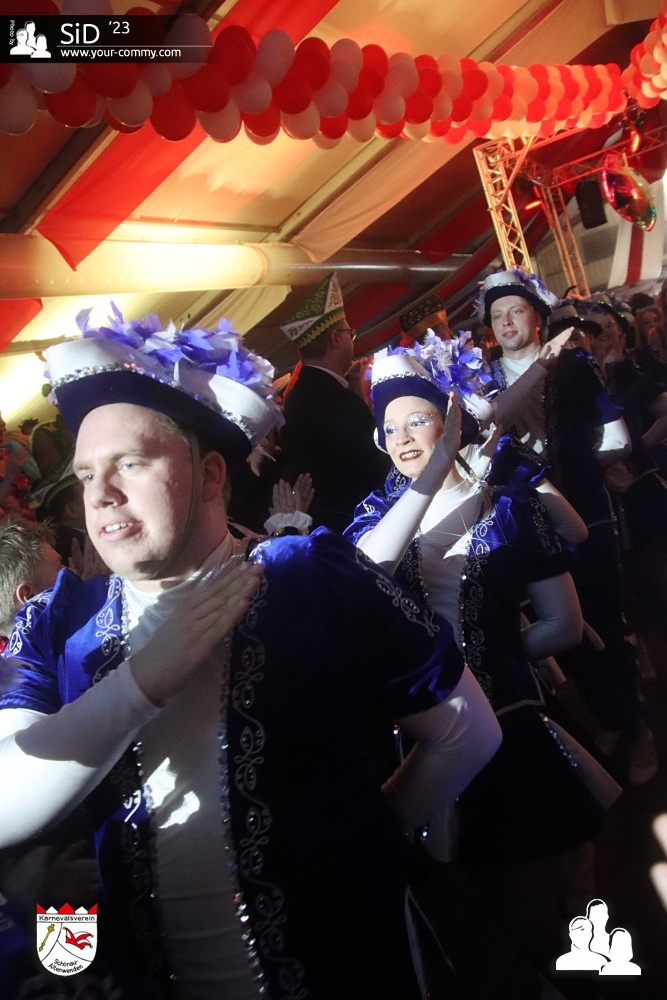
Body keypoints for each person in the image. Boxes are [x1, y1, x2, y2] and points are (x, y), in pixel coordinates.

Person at [0, 305, 501, 1000]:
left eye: (131, 463)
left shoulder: (305, 576)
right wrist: (144, 680)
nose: (102, 495)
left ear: (210, 475)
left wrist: (369, 838)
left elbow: (468, 732)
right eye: (86, 475)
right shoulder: (58, 621)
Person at [343, 347, 621, 988]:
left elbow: (566, 626)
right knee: (480, 903)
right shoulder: (374, 521)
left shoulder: (507, 507)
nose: (402, 438)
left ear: (451, 423)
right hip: (439, 729)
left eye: (417, 421)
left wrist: (493, 653)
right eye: (390, 428)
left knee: (513, 887)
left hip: (492, 725)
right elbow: (364, 585)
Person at [478, 269, 648, 772]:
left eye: (516, 311)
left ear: (537, 318)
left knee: (605, 619)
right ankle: (607, 718)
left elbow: (616, 437)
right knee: (568, 632)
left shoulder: (574, 363)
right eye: (497, 316)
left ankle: (636, 728)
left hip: (587, 514)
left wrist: (579, 471)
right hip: (530, 527)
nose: (507, 322)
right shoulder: (483, 381)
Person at [279, 272, 392, 531]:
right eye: (349, 333)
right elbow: (379, 466)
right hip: (362, 525)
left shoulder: (305, 393)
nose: (352, 339)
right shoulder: (333, 400)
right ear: (335, 338)